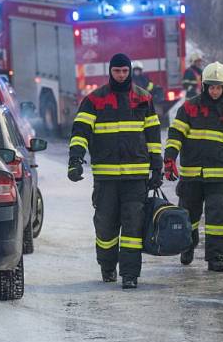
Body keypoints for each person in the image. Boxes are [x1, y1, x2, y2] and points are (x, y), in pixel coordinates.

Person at [68, 53, 163, 289]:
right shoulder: (94, 100)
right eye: (116, 71)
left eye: (124, 71)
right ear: (110, 72)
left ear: (130, 71)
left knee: (133, 227)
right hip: (106, 178)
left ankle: (130, 275)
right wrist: (75, 160)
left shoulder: (143, 99)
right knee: (105, 226)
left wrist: (157, 166)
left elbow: (152, 134)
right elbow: (80, 132)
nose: (121, 75)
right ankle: (108, 266)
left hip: (136, 177)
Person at [164, 62, 223, 272]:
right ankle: (187, 246)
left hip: (218, 177)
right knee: (188, 216)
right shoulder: (189, 107)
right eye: (211, 87)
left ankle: (215, 257)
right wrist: (169, 159)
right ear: (204, 86)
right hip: (191, 175)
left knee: (216, 218)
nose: (215, 91)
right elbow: (176, 135)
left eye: (219, 87)